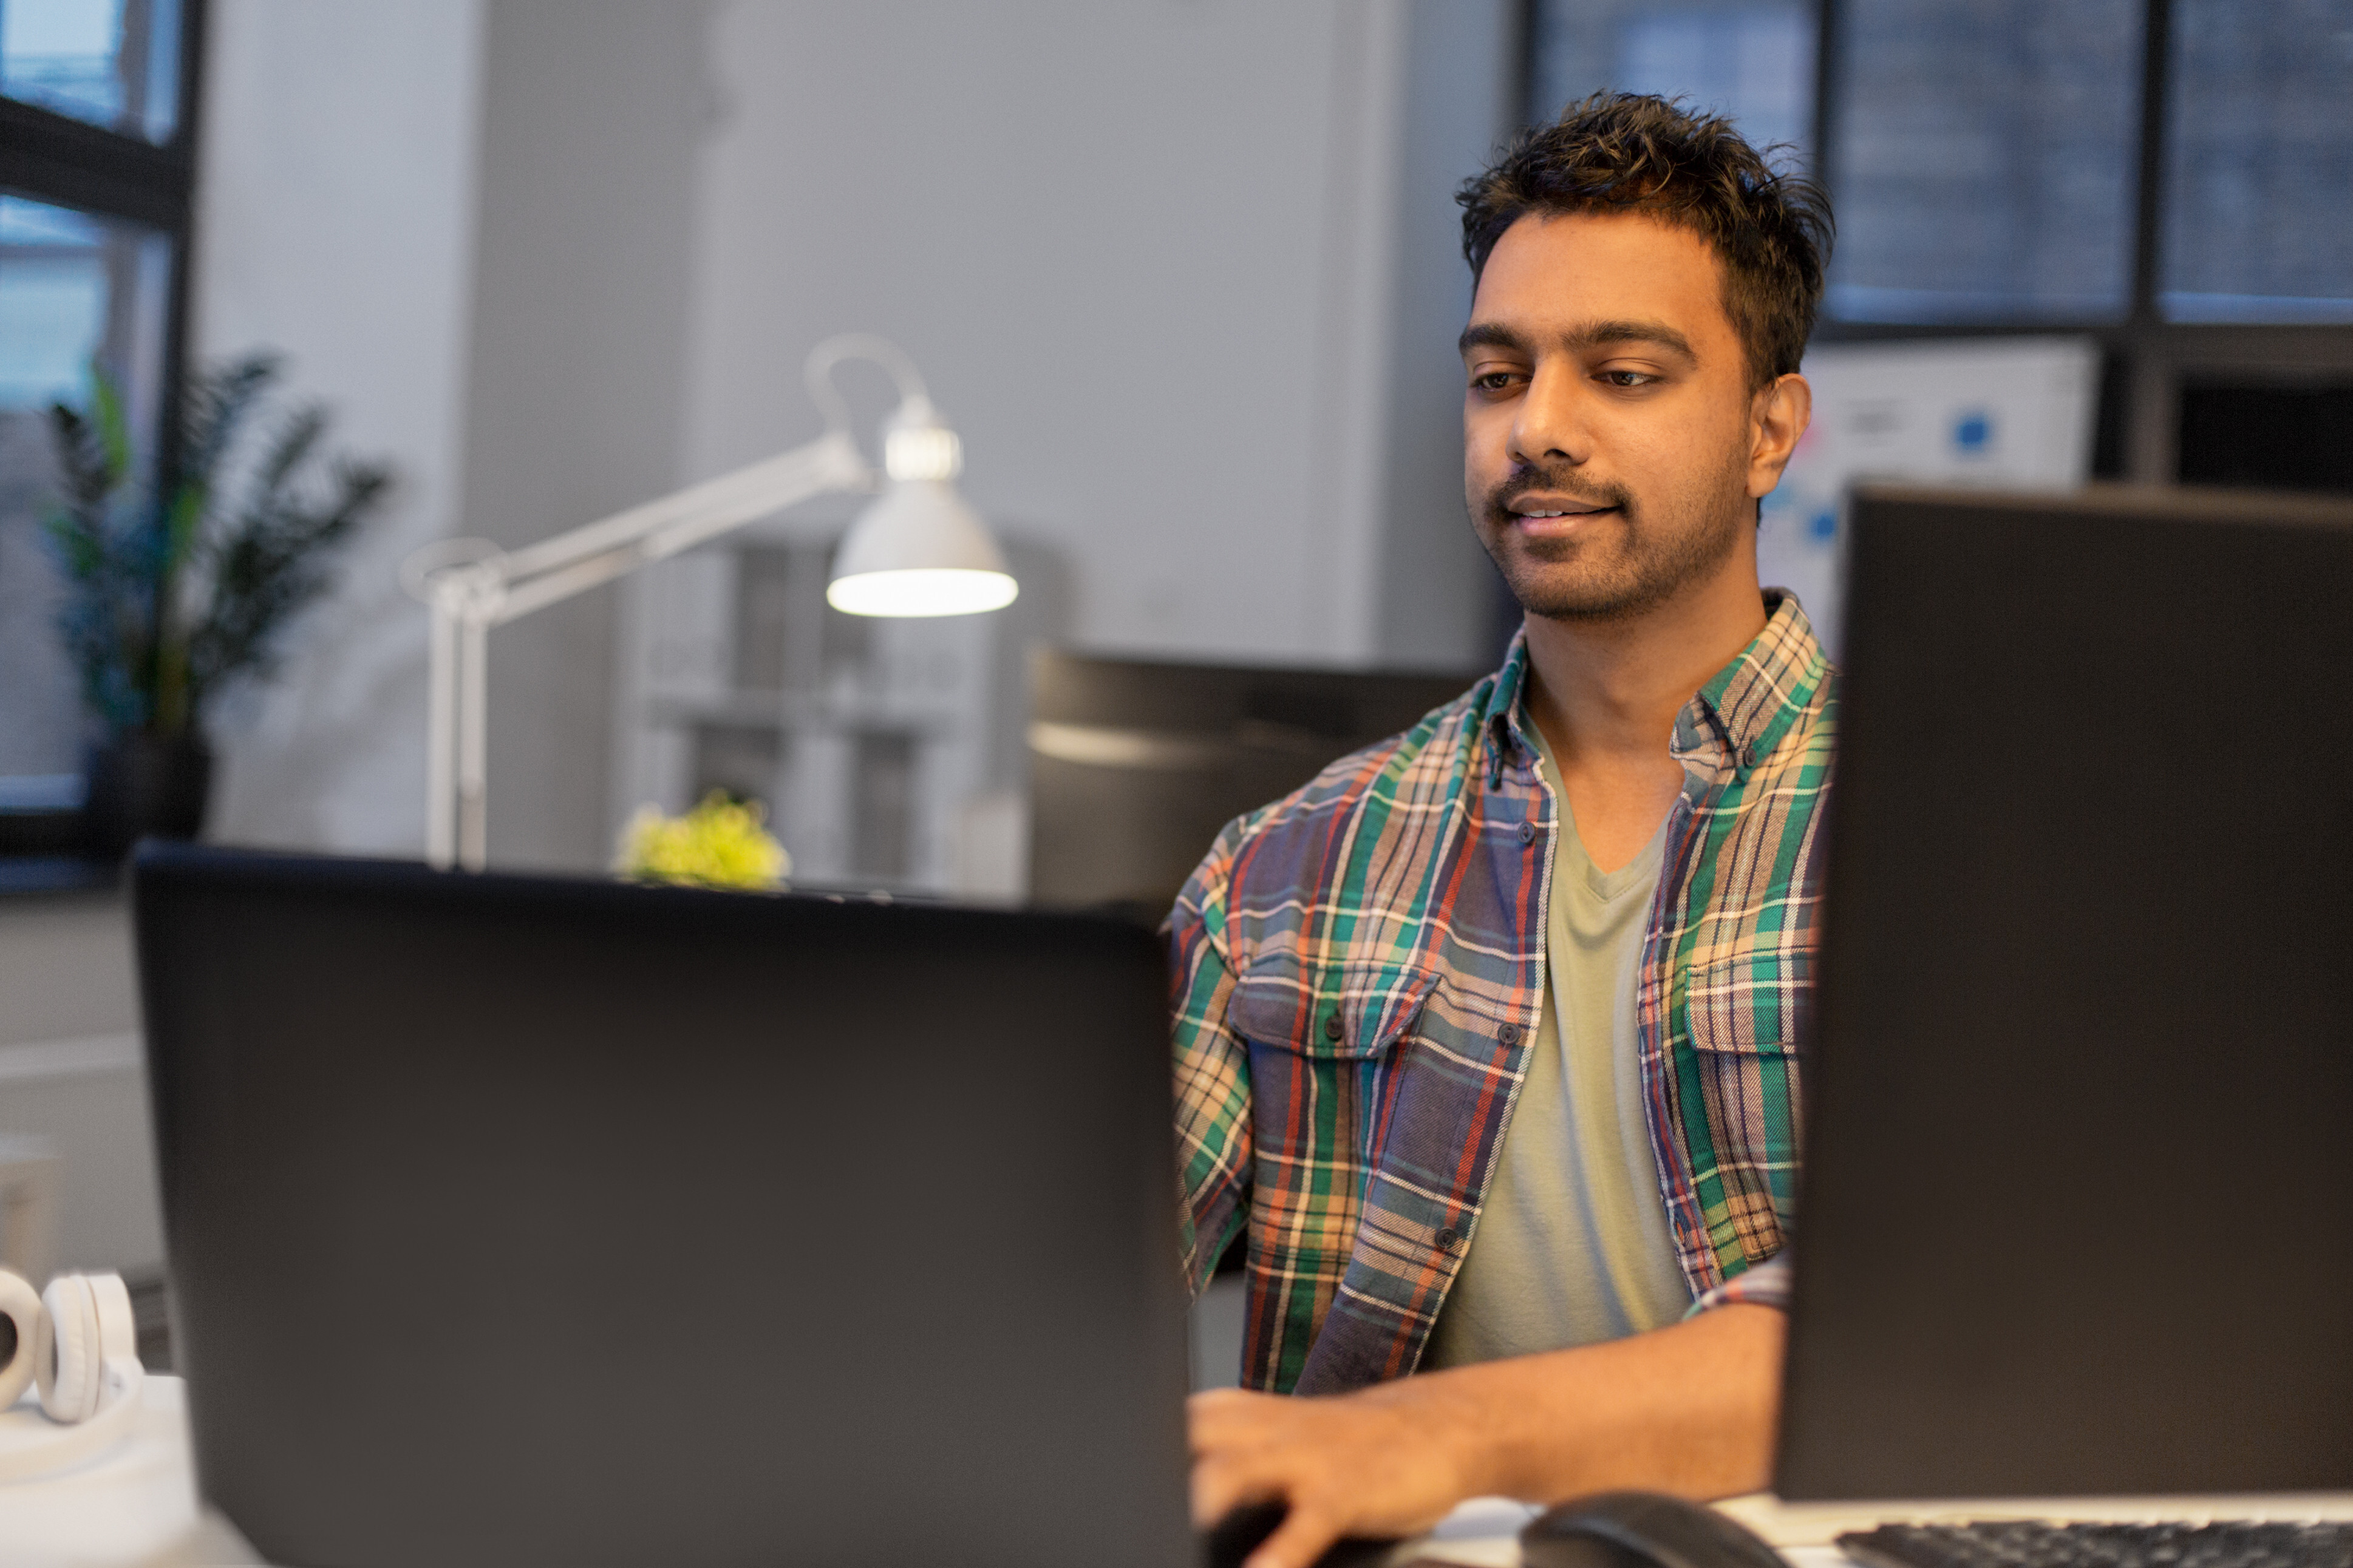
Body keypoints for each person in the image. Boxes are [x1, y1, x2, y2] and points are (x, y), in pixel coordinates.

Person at [1168, 93, 1836, 1568]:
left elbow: (1896, 1327)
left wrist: (1423, 1436)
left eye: (1624, 372)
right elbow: (1042, 1280)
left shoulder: (1941, 860)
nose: (1539, 425)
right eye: (1498, 373)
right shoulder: (1285, 867)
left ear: (1769, 427)